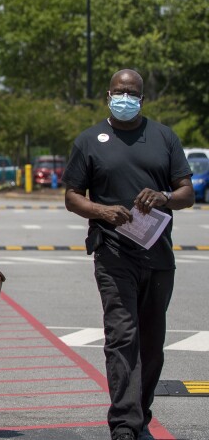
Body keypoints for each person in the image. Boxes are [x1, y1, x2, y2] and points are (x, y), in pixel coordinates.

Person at [63, 69, 193, 440]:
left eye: (131, 92)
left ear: (142, 98)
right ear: (108, 94)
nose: (125, 96)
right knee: (122, 337)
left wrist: (164, 197)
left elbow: (187, 192)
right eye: (119, 91)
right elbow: (72, 196)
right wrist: (102, 212)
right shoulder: (90, 141)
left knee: (151, 344)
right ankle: (124, 425)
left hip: (158, 257)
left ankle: (141, 414)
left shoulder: (164, 137)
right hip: (113, 254)